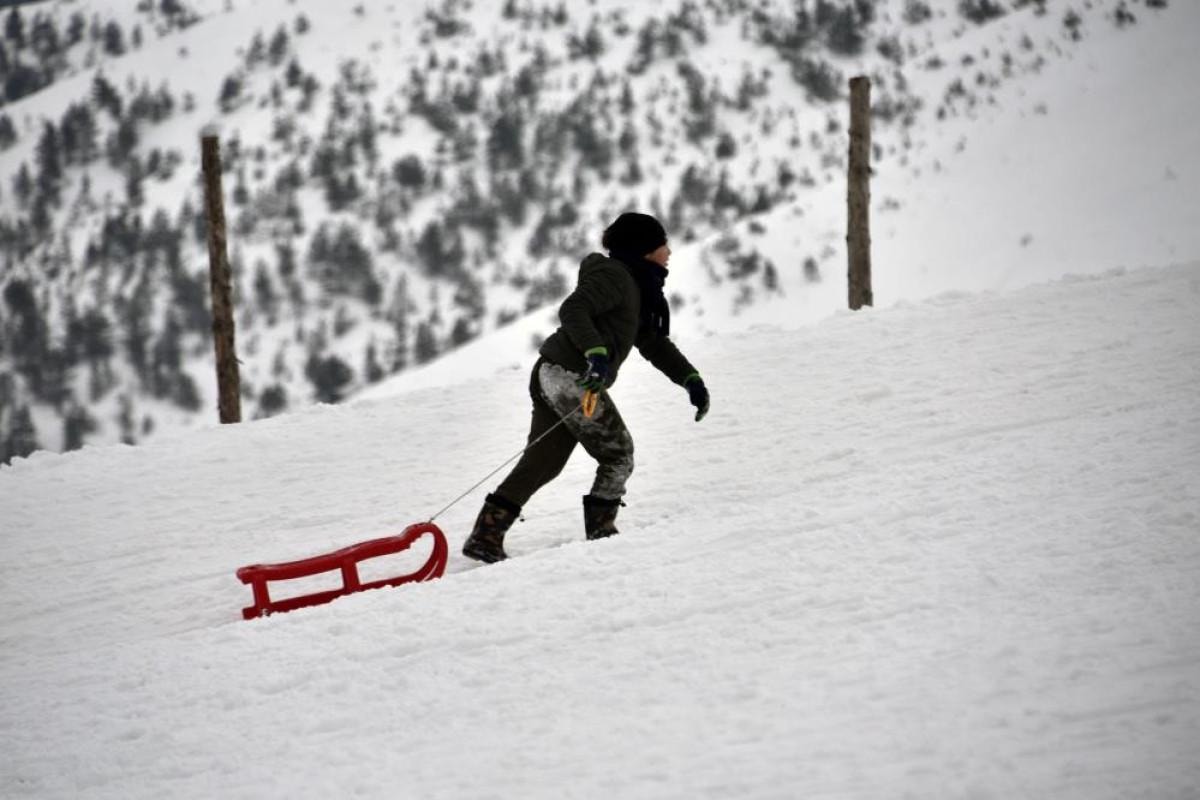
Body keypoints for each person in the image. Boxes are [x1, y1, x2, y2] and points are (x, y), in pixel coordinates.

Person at [462, 211, 710, 563]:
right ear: (644, 249)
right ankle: (602, 535)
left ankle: (485, 537)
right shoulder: (616, 276)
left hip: (552, 371)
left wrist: (689, 379)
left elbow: (653, 342)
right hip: (572, 375)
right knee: (618, 454)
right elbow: (574, 308)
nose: (668, 251)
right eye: (662, 244)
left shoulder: (639, 288)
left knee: (544, 461)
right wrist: (596, 353)